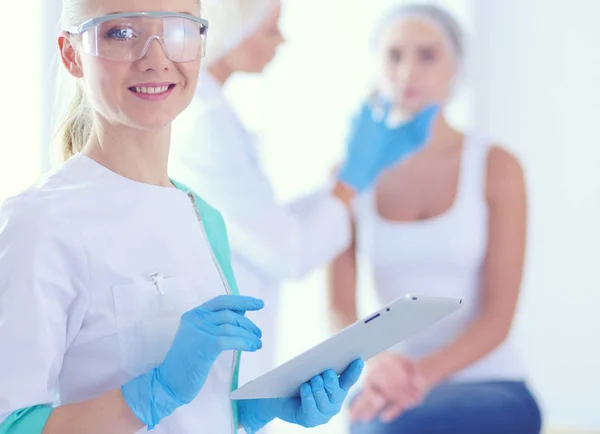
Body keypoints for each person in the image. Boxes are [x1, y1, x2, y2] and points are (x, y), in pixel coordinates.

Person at [0, 0, 365, 433]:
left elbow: (196, 413)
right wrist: (155, 392)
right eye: (120, 33)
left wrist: (251, 409)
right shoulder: (39, 223)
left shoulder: (203, 216)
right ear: (71, 54)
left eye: (178, 31)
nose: (156, 59)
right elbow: (13, 425)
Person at [168, 0, 438, 391]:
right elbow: (287, 251)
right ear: (232, 32)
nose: (282, 40)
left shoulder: (215, 112)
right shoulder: (205, 121)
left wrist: (350, 182)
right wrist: (350, 181)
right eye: (270, 28)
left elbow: (267, 222)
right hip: (213, 363)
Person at [328, 4, 543, 434]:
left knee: (393, 427)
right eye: (394, 55)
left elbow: (497, 319)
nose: (408, 70)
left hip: (491, 383)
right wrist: (375, 363)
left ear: (456, 67)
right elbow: (339, 305)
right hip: (391, 382)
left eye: (427, 55)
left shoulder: (497, 166)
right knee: (370, 424)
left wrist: (418, 378)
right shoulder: (351, 176)